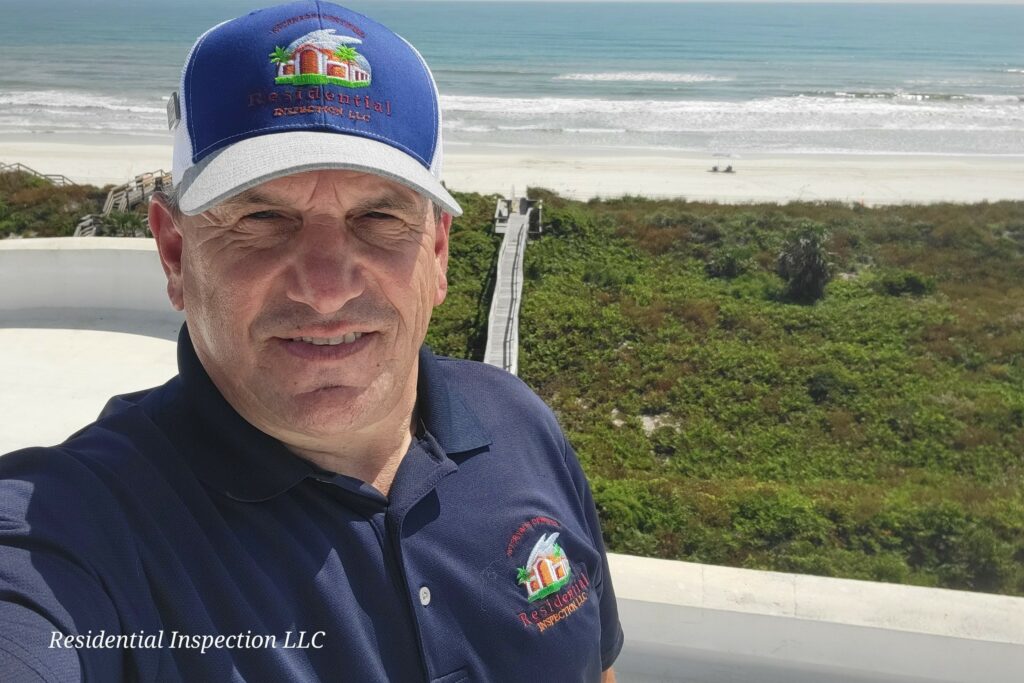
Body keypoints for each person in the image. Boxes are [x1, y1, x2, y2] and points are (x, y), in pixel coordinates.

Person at [0, 2, 623, 681]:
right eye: (263, 218)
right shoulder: (78, 524)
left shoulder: (520, 425)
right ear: (175, 252)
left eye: (378, 217)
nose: (325, 290)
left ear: (439, 252)